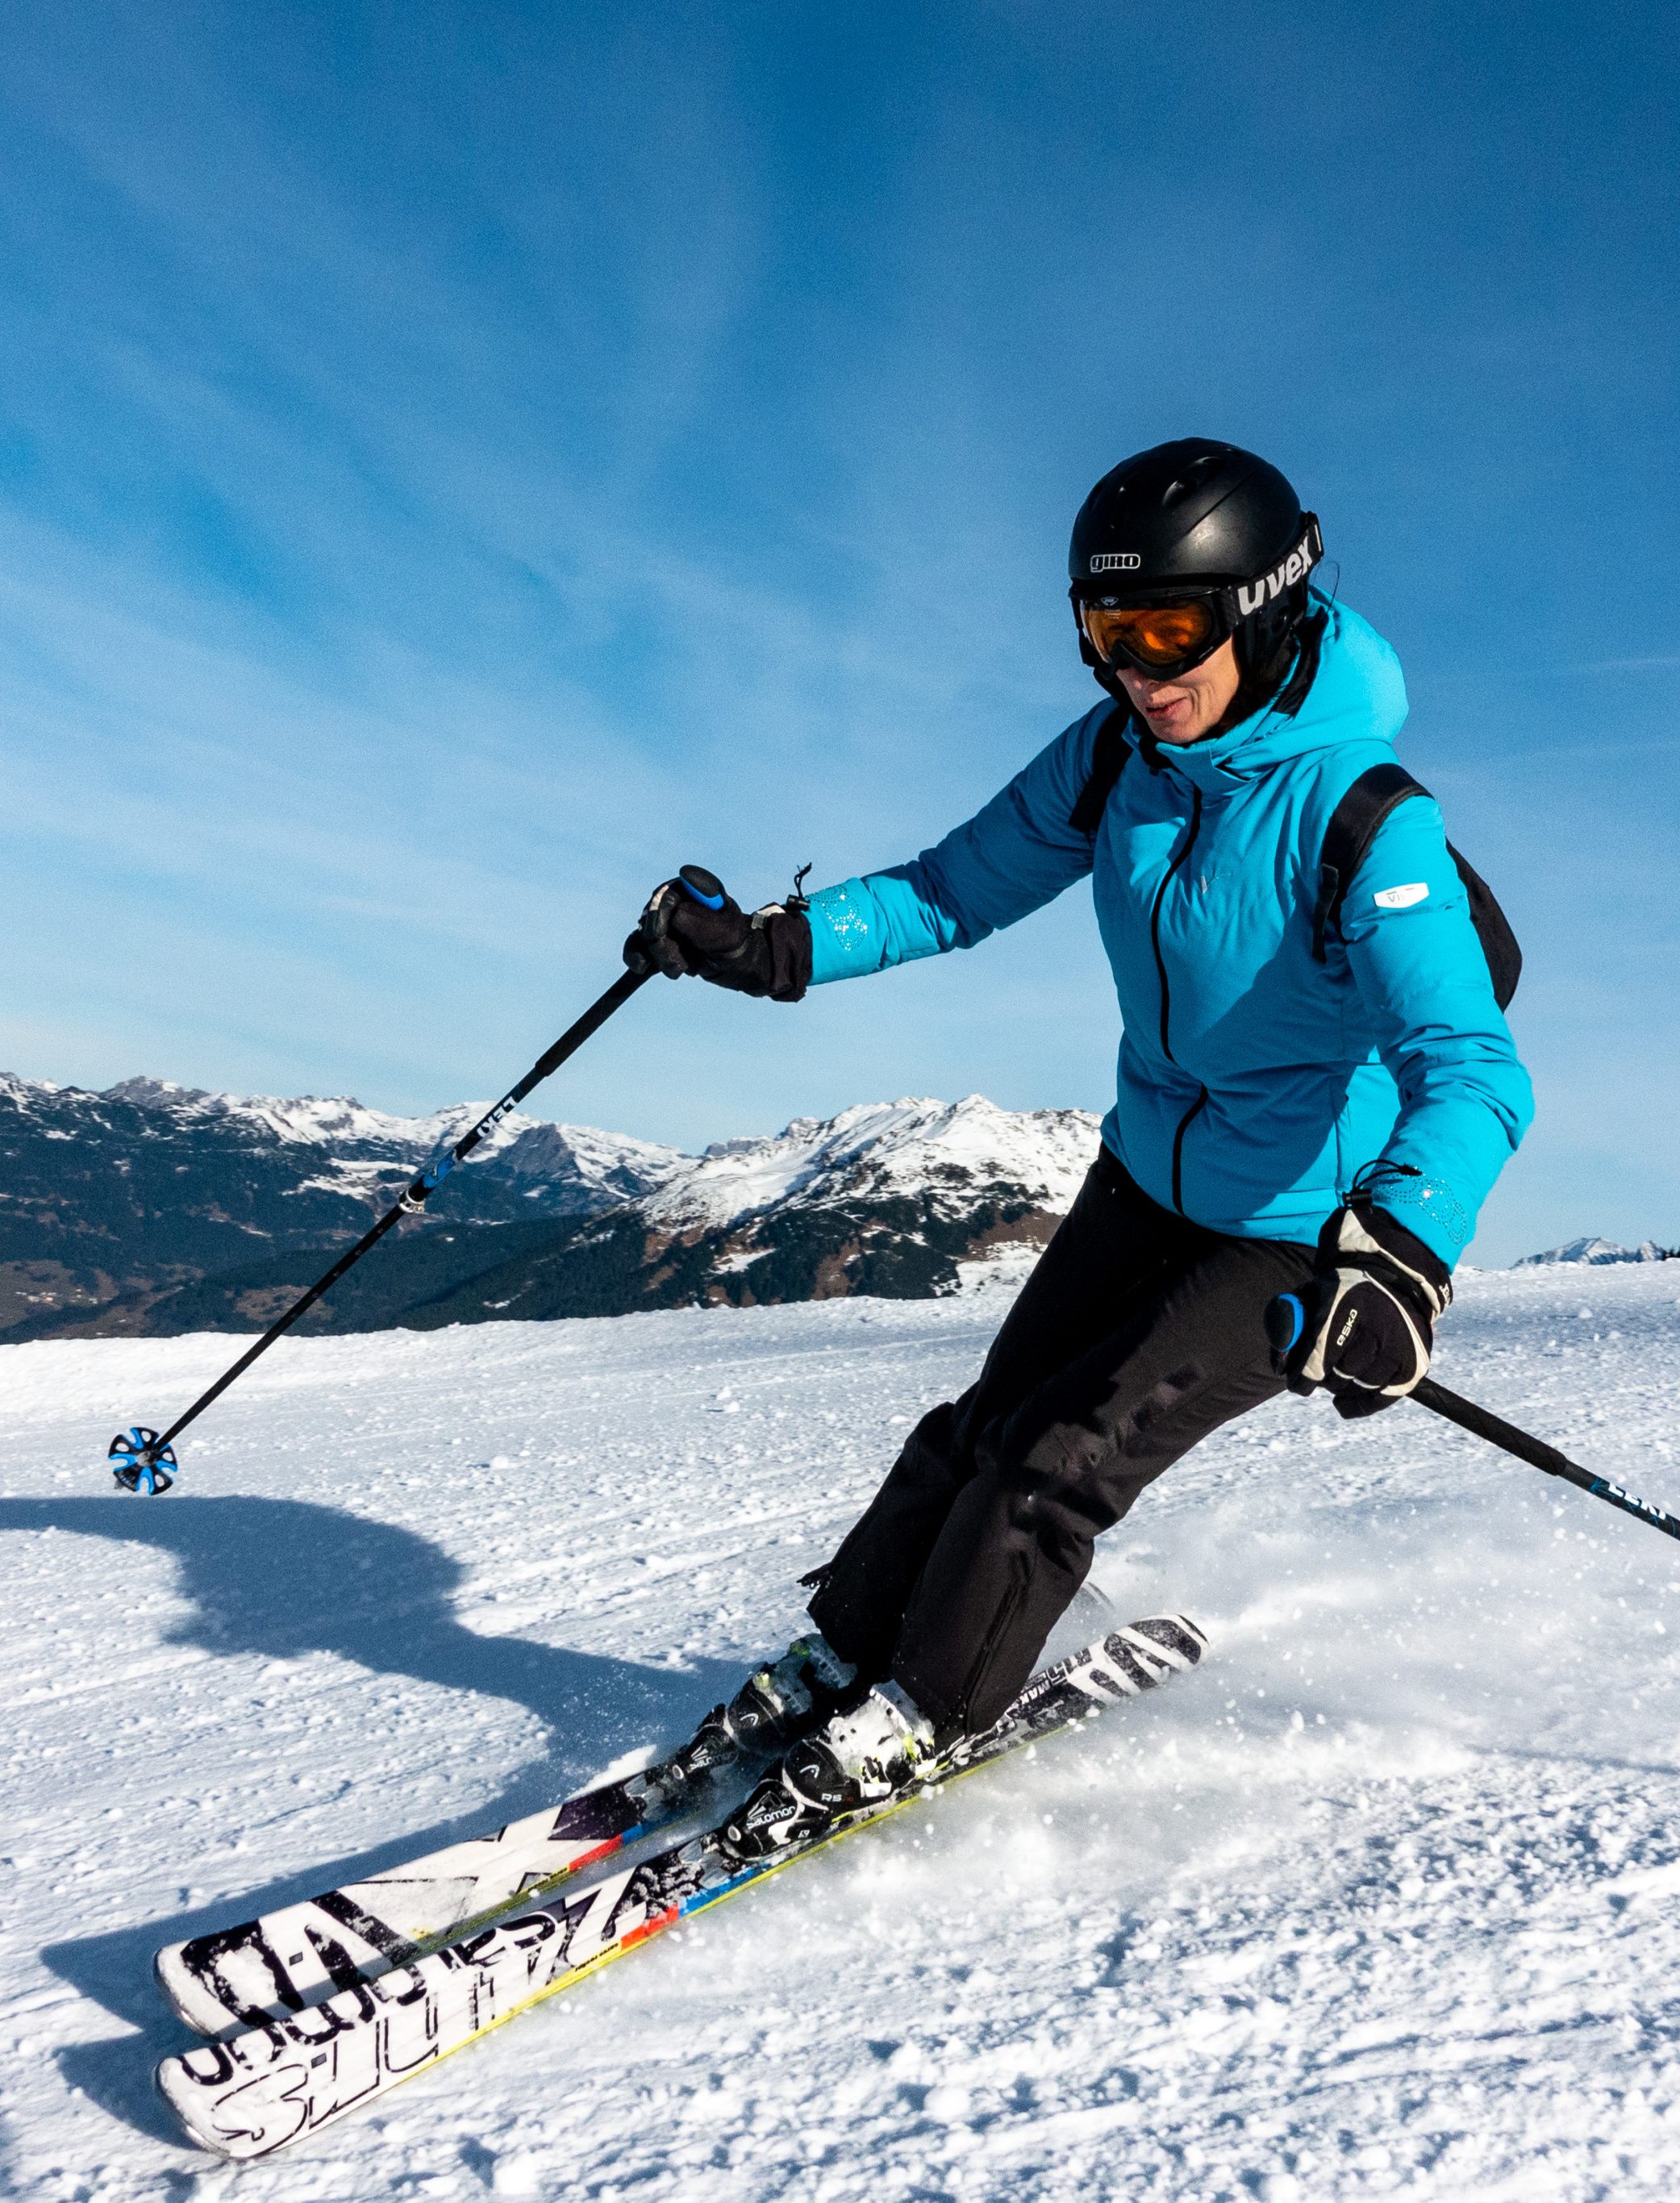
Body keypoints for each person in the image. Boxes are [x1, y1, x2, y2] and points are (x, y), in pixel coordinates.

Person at [625, 438, 1532, 1855]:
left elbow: (1471, 1072)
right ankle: (842, 1657)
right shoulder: (1120, 754)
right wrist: (779, 948)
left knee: (1057, 1461)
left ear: (1269, 604)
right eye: (1106, 634)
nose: (1137, 670)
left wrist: (1403, 1256)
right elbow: (949, 889)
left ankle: (927, 1708)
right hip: (1146, 1170)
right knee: (985, 1426)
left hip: (1291, 1220)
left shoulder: (1362, 816)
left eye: (1169, 630)